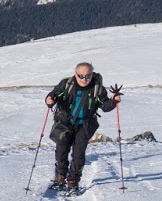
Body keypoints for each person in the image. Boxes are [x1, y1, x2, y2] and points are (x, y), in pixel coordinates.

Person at [45, 62, 120, 192]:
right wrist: (49, 99)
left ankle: (73, 180)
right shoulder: (66, 84)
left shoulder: (98, 88)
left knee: (78, 155)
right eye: (81, 76)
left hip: (84, 125)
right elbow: (53, 95)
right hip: (64, 124)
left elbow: (104, 106)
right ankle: (60, 176)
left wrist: (114, 101)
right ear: (75, 74)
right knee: (61, 152)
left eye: (88, 76)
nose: (84, 79)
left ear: (92, 75)